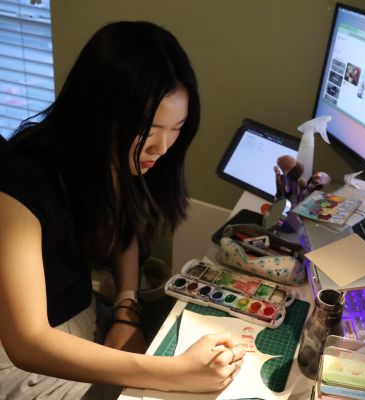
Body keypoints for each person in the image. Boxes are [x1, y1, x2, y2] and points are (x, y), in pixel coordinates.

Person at [0, 21, 247, 399]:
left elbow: (122, 230)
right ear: (97, 115)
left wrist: (127, 305)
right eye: (148, 131)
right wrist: (172, 373)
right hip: (22, 356)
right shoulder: (18, 183)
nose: (162, 149)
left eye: (176, 128)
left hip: (84, 319)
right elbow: (27, 342)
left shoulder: (113, 157)